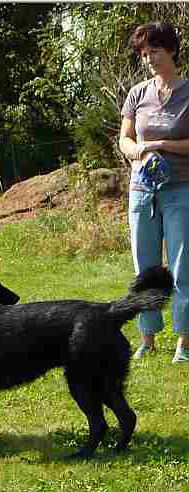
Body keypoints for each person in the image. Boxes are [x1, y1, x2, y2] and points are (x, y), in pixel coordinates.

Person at [119, 21, 189, 364]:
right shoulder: (137, 93)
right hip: (142, 190)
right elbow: (125, 138)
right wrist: (137, 151)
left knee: (181, 265)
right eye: (144, 54)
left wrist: (160, 144)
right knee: (144, 266)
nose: (149, 59)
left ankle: (184, 341)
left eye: (155, 51)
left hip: (181, 189)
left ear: (171, 50)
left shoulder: (188, 91)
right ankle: (147, 337)